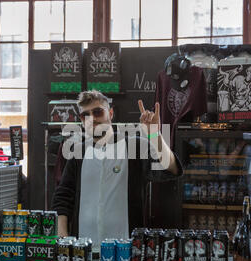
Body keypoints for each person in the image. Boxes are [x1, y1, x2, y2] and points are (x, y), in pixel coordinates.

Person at [51, 90, 183, 248]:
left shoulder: (134, 146)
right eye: (85, 115)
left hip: (128, 251)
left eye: (98, 112)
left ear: (111, 113)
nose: (92, 119)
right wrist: (64, 240)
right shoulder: (77, 152)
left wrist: (155, 135)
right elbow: (63, 197)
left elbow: (170, 169)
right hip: (83, 252)